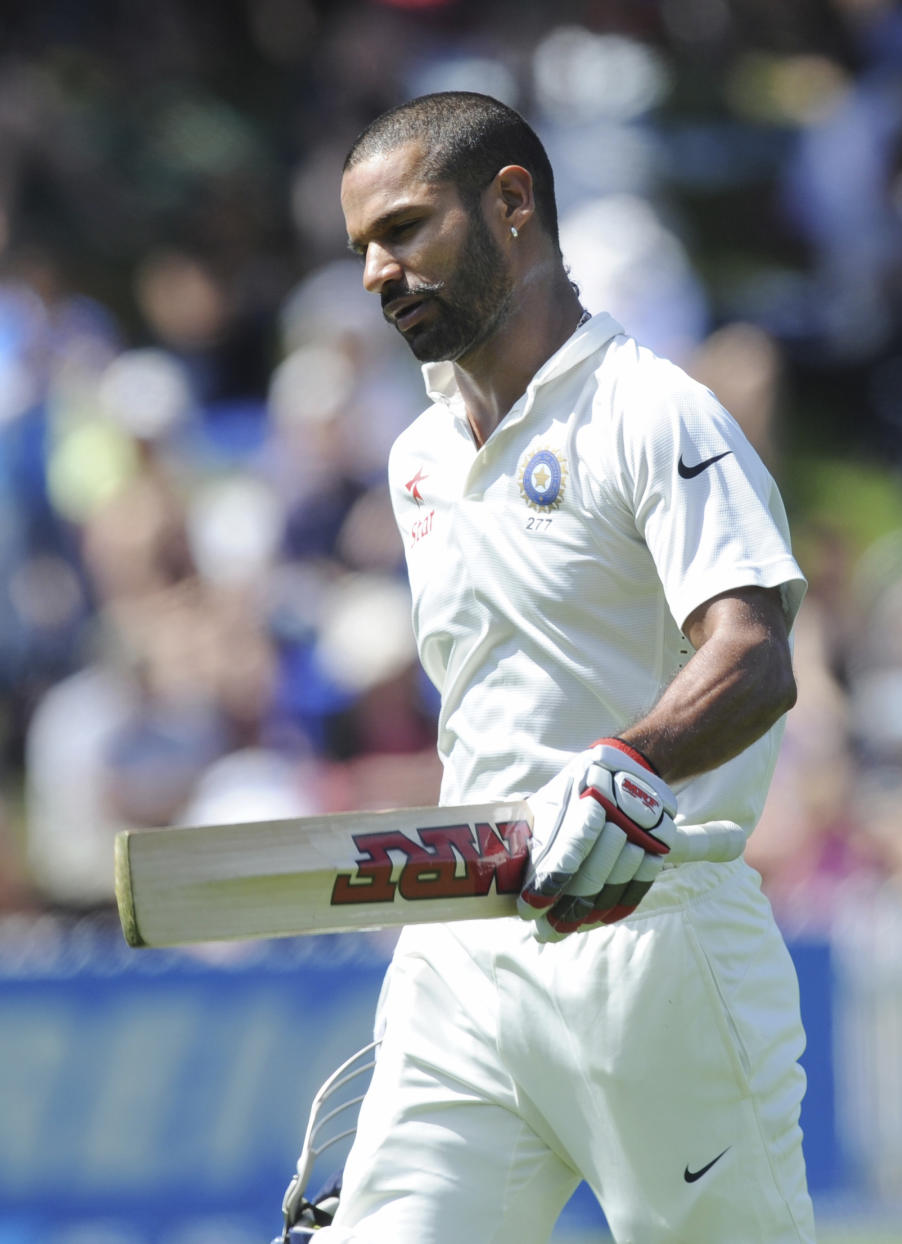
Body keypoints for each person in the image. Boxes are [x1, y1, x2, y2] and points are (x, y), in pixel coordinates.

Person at [325, 91, 815, 1244]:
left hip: (648, 934)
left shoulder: (651, 409)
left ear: (511, 203)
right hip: (463, 955)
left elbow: (754, 653)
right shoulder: (418, 457)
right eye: (360, 249)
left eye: (403, 230)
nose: (376, 274)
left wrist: (624, 768)